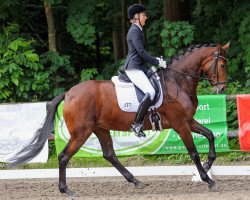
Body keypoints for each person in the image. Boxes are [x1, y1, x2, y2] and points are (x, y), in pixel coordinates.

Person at [119, 4, 167, 138]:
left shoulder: (138, 30)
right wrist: (156, 62)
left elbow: (143, 52)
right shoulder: (134, 30)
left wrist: (154, 61)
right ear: (136, 17)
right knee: (150, 92)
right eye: (144, 15)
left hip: (140, 66)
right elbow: (140, 52)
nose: (146, 17)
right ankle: (137, 124)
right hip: (133, 67)